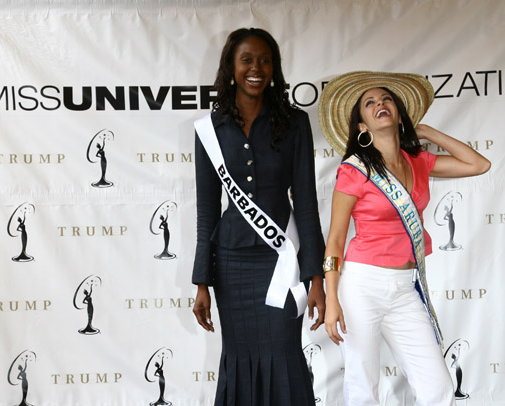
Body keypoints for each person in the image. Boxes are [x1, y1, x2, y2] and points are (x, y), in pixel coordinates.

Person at [318, 71, 490, 406]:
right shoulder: (355, 170)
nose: (380, 104)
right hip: (361, 286)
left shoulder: (420, 161)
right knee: (362, 385)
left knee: (437, 388)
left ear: (398, 113)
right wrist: (332, 298)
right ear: (362, 127)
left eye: (387, 100)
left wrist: (426, 132)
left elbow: (479, 164)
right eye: (369, 103)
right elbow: (335, 240)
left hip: (405, 287)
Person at [192, 28, 325, 405]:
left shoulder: (294, 123)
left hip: (282, 259)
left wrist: (315, 277)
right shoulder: (209, 129)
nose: (256, 68)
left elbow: (307, 204)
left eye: (265, 60)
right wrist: (202, 281)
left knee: (283, 352)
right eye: (247, 59)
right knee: (239, 356)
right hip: (231, 266)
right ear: (231, 68)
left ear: (275, 68)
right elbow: (206, 211)